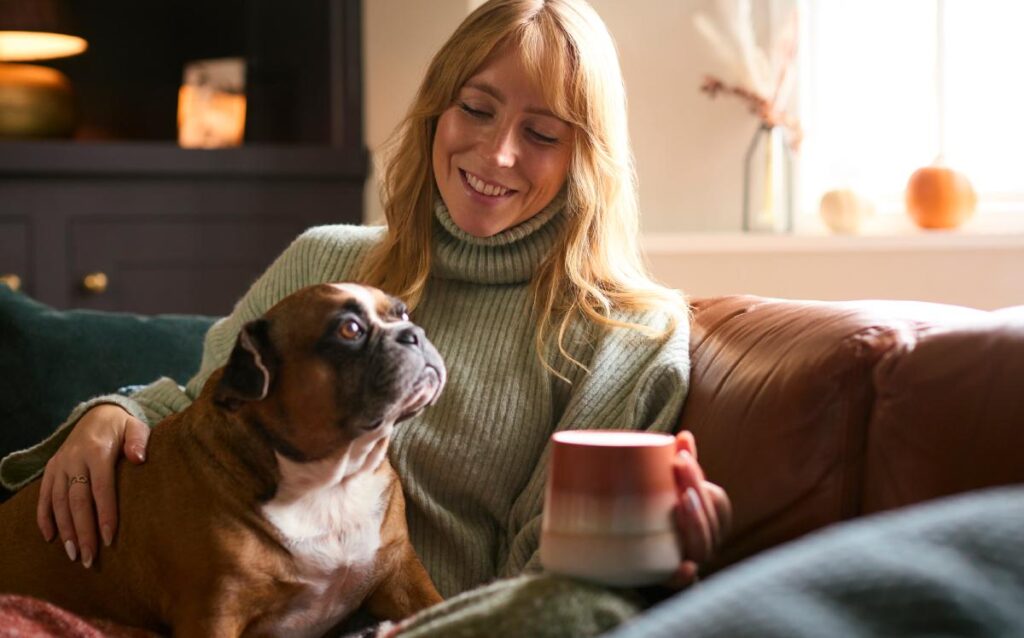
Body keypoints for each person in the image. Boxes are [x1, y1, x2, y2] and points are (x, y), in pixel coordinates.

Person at [0, 0, 731, 635]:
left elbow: (553, 583)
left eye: (541, 134)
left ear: (586, 156)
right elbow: (207, 407)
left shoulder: (627, 335)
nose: (497, 152)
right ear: (437, 111)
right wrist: (113, 413)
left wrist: (658, 559)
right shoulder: (328, 263)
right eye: (476, 110)